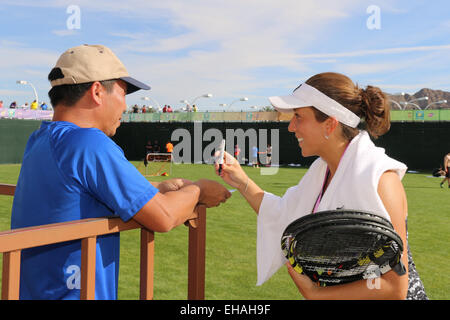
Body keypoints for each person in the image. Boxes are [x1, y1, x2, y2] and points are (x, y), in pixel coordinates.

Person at [11, 44, 231, 300]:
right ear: (96, 91)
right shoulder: (88, 142)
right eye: (123, 93)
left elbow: (80, 190)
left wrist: (157, 188)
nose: (125, 106)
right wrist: (200, 189)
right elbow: (163, 216)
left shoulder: (39, 139)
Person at [215, 72, 427, 300]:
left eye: (298, 116)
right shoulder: (321, 171)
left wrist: (317, 295)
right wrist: (241, 180)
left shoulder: (380, 180)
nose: (291, 127)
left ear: (330, 124)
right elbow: (283, 215)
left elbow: (394, 288)